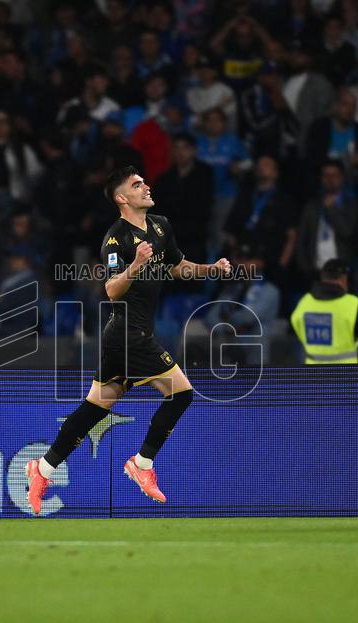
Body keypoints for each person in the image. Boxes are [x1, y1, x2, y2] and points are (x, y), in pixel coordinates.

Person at [24, 166, 232, 515]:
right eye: (137, 185)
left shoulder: (161, 226)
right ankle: (142, 463)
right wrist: (135, 265)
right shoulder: (115, 239)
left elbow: (176, 266)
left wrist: (210, 269)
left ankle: (42, 469)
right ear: (122, 198)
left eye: (144, 182)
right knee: (181, 393)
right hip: (128, 336)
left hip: (125, 337)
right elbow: (110, 290)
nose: (146, 186)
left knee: (95, 408)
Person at [290, 259, 358, 364]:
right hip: (347, 371)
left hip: (314, 371)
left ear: (322, 277)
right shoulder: (353, 304)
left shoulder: (304, 303)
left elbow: (297, 329)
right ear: (344, 279)